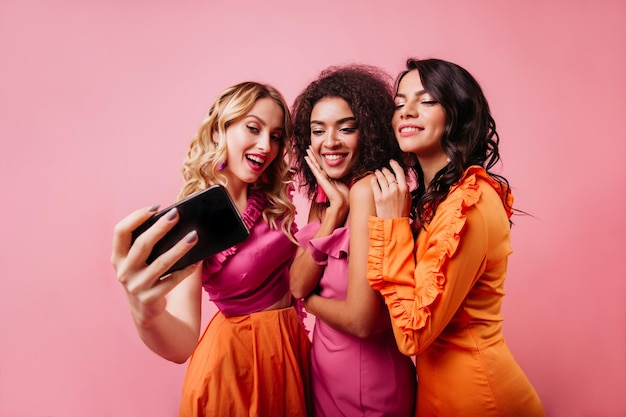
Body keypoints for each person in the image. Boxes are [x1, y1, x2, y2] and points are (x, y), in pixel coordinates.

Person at [111, 81, 313, 417]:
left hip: (289, 348)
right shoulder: (195, 221)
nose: (266, 146)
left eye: (275, 136)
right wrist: (147, 315)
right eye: (253, 128)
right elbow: (183, 342)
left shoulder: (274, 198)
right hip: (236, 368)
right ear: (219, 130)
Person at [368, 57, 546, 416]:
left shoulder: (469, 204)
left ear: (457, 113)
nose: (406, 112)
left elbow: (412, 335)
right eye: (400, 103)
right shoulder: (441, 200)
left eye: (426, 101)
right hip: (439, 393)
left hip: (479, 396)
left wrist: (393, 226)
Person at [290, 65, 417, 417]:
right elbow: (297, 281)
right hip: (326, 374)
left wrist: (309, 303)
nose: (330, 142)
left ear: (370, 132)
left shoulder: (367, 191)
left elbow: (360, 320)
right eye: (318, 131)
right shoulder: (327, 198)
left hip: (368, 384)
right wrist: (333, 212)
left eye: (346, 128)